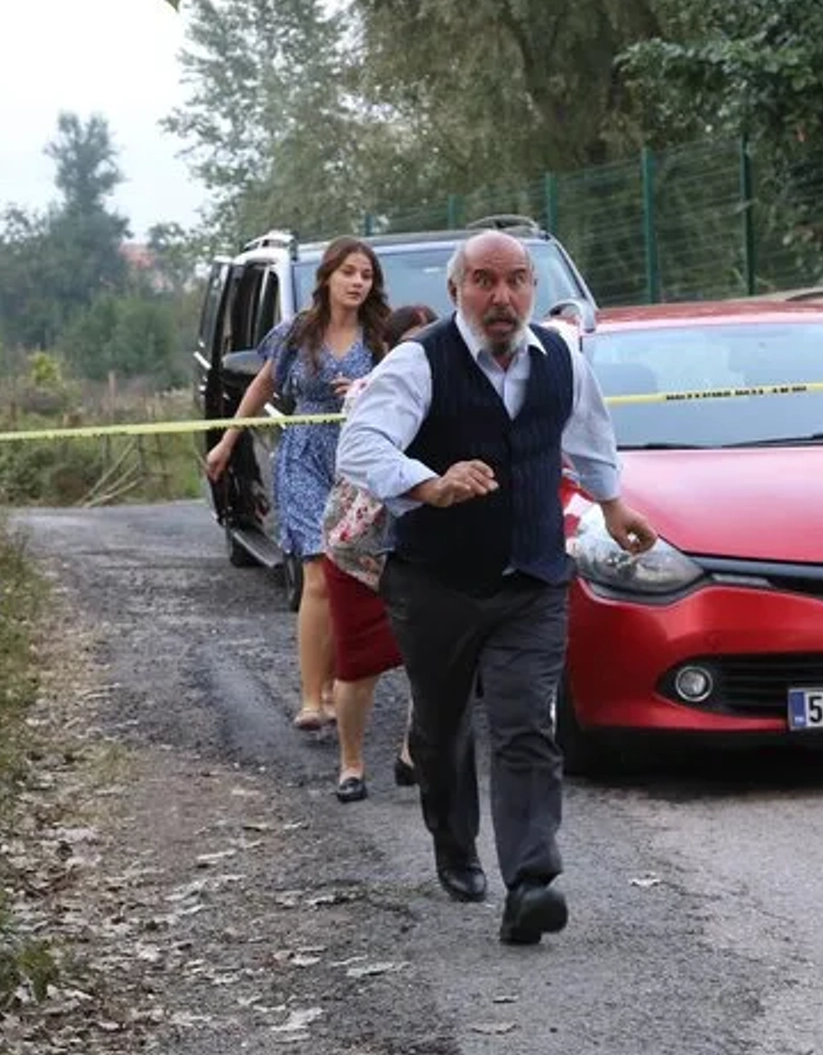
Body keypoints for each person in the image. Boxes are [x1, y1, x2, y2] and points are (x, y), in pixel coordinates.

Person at [336, 230, 657, 947]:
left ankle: (531, 881)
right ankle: (454, 843)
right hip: (436, 582)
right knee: (443, 729)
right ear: (457, 293)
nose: (501, 296)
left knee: (524, 726)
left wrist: (613, 505)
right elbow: (359, 445)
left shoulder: (562, 357)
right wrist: (430, 483)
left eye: (515, 280)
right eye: (483, 280)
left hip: (533, 578)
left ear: (533, 290)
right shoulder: (421, 361)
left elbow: (590, 438)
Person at [206, 236, 391, 731]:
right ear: (327, 277)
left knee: (346, 576)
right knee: (316, 575)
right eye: (348, 272)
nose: (357, 282)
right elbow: (262, 384)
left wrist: (364, 390)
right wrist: (227, 442)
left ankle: (335, 686)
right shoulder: (297, 333)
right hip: (305, 454)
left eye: (366, 275)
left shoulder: (379, 339)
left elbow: (402, 393)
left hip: (358, 460)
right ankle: (312, 698)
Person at [319, 303, 439, 803]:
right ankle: (351, 764)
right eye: (412, 342)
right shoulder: (368, 394)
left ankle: (414, 751)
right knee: (357, 664)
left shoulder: (456, 390)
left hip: (425, 546)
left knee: (432, 660)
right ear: (388, 350)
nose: (424, 351)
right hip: (359, 547)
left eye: (431, 340)